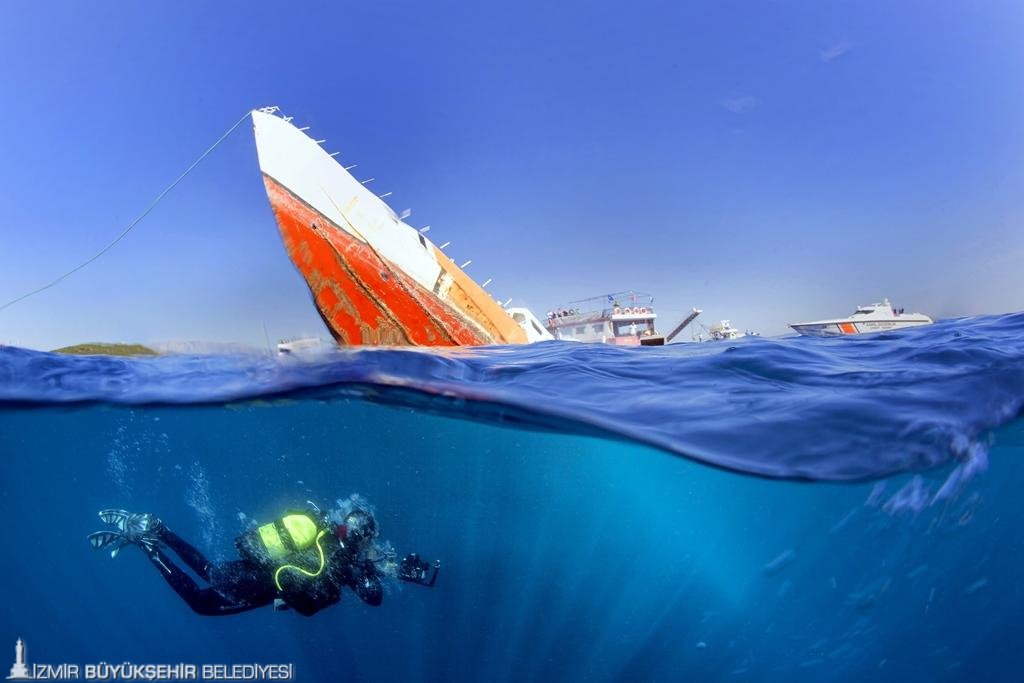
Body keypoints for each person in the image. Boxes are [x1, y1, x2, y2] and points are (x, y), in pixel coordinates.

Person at [88, 503, 439, 617]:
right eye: (368, 541)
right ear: (361, 537)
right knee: (201, 603)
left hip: (257, 568)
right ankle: (149, 547)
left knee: (209, 569)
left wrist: (393, 569)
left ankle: (160, 530)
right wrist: (381, 573)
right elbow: (370, 596)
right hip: (260, 586)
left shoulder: (327, 534)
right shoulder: (343, 561)